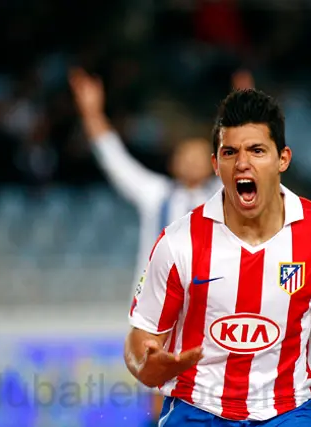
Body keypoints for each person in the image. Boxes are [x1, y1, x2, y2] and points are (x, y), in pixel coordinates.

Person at [124, 88, 311, 426]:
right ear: (216, 164)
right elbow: (142, 338)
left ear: (283, 158)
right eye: (230, 152)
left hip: (287, 413)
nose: (243, 163)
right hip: (198, 411)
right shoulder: (178, 243)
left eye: (257, 150)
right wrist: (149, 367)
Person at [70, 68, 234, 426]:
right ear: (173, 162)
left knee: (208, 393)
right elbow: (114, 159)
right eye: (183, 154)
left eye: (197, 154)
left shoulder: (224, 200)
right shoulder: (155, 195)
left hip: (210, 309)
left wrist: (245, 115)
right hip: (159, 310)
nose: (190, 161)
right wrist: (92, 112)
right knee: (159, 392)